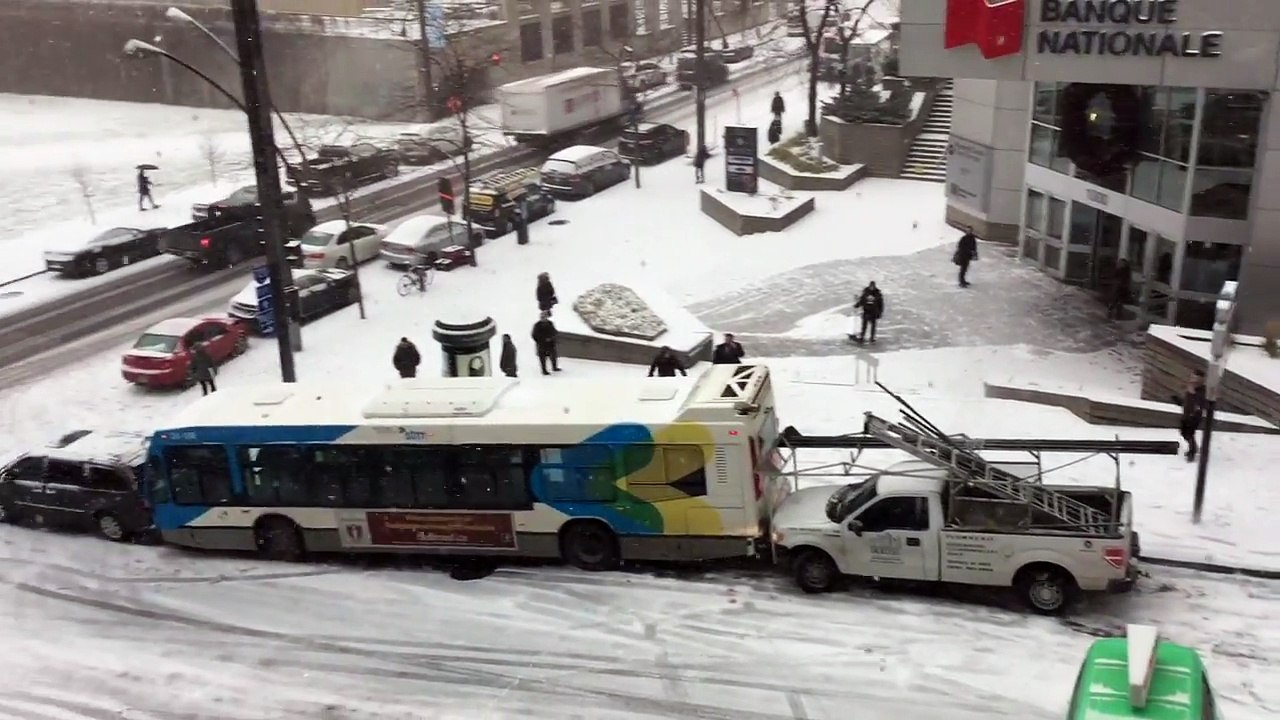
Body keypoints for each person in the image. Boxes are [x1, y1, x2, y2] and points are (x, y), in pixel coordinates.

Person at [1172, 370, 1206, 462]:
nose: (1193, 381)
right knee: (1185, 433)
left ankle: (1192, 452)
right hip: (1187, 414)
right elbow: (1186, 402)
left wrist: (1193, 393)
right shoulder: (1190, 389)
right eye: (1193, 378)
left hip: (1194, 416)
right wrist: (1178, 400)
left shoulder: (1201, 391)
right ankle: (1193, 448)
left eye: (1196, 379)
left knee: (1189, 433)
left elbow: (1201, 403)